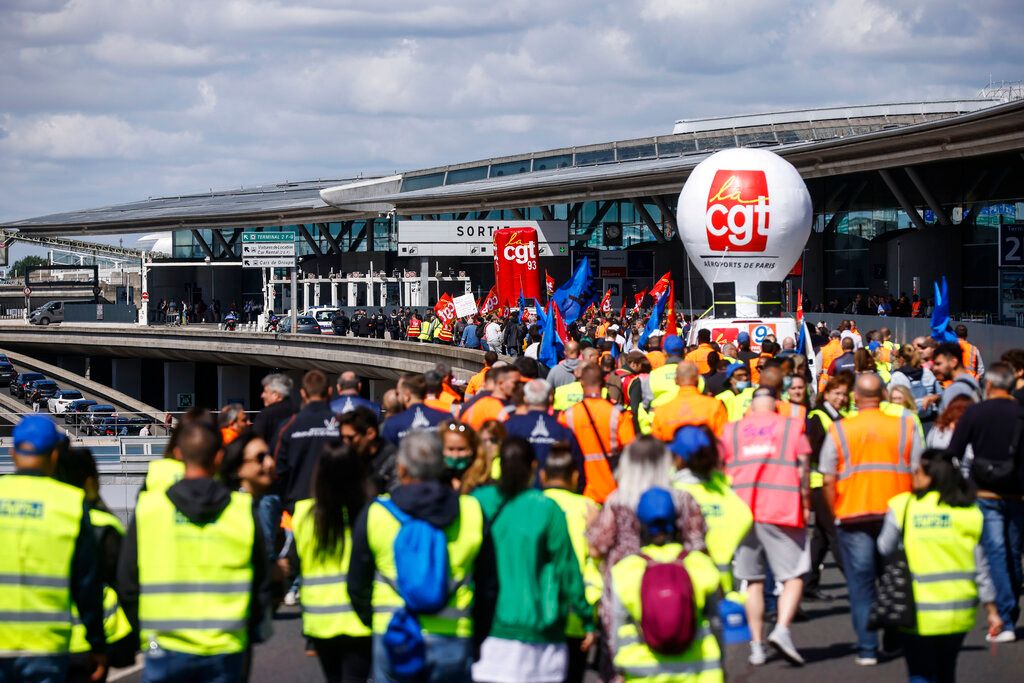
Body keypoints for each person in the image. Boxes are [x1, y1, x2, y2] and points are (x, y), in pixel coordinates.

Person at [118, 420, 271, 683]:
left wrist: (144, 629)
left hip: (164, 644)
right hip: (226, 644)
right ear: (219, 457)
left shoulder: (150, 507)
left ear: (179, 454)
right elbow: (262, 580)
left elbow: (127, 580)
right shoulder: (242, 509)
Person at [347, 431, 494, 683]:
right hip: (454, 634)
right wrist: (477, 635)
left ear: (401, 469)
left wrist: (373, 622)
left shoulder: (377, 513)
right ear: (442, 465)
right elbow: (489, 586)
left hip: (394, 633)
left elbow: (356, 584)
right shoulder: (471, 511)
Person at [819, 372, 923, 665]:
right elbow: (918, 473)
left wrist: (836, 511)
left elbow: (828, 478)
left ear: (855, 397)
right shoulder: (904, 426)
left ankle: (867, 649)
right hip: (895, 513)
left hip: (853, 514)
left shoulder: (841, 429)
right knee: (893, 579)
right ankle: (893, 637)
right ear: (884, 396)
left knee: (861, 585)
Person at [471, 438, 595, 683]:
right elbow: (567, 569)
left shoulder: (479, 501)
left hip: (489, 630)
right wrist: (587, 619)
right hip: (540, 634)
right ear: (535, 467)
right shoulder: (547, 509)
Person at [878, 449, 1001, 682]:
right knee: (947, 670)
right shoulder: (968, 511)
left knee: (920, 672)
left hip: (915, 608)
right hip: (958, 609)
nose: (913, 476)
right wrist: (992, 610)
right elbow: (981, 567)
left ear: (931, 476)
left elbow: (885, 547)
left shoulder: (903, 506)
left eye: (917, 472)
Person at [586, 437, 706, 676]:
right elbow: (698, 546)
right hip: (675, 586)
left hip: (624, 588)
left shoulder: (617, 501)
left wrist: (590, 525)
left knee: (624, 657)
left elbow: (596, 548)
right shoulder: (682, 499)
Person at [0, 417, 107, 683]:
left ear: (12, 452)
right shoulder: (70, 503)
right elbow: (87, 584)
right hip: (47, 645)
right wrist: (97, 644)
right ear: (55, 454)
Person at [720, 387, 811, 665]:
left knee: (753, 581)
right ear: (776, 406)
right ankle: (782, 629)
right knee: (794, 574)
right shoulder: (792, 427)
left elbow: (723, 471)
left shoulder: (731, 431)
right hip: (781, 506)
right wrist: (806, 504)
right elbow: (804, 467)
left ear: (751, 407)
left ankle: (757, 646)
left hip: (742, 510)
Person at [608, 487, 724, 682]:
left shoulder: (626, 570)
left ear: (639, 523)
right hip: (700, 671)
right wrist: (721, 658)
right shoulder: (698, 564)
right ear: (677, 520)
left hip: (643, 672)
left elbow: (617, 625)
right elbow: (715, 621)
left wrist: (617, 667)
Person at [946, 362, 1024, 643]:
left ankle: (1005, 617)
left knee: (996, 554)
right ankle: (1010, 609)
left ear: (988, 385)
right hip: (1017, 493)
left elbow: (953, 450)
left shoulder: (976, 412)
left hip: (986, 493)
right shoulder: (1020, 413)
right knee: (1014, 554)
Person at [292, 442, 373, 682]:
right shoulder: (370, 514)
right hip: (361, 619)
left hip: (320, 619)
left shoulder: (304, 515)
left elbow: (296, 563)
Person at [540, 444, 602, 683]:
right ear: (575, 476)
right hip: (577, 613)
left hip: (540, 610)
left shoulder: (533, 504)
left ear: (543, 475)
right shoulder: (588, 508)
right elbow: (596, 560)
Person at [670, 425, 752, 594]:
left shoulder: (672, 493)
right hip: (724, 584)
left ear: (679, 458)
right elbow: (745, 518)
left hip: (680, 588)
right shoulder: (724, 490)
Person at [559, 364, 636, 503]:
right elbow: (630, 451)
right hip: (611, 490)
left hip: (578, 490)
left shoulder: (568, 415)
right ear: (603, 383)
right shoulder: (618, 413)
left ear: (581, 382)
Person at [804, 377, 849, 600]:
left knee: (821, 537)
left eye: (844, 394)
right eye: (837, 394)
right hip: (819, 482)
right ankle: (856, 579)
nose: (841, 398)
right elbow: (812, 451)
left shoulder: (839, 417)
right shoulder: (817, 416)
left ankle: (809, 584)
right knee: (835, 534)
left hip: (832, 481)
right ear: (827, 393)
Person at [273, 370, 338, 512]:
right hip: (335, 506)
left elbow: (277, 469)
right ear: (330, 391)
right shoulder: (342, 424)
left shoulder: (288, 426)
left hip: (297, 507)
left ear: (303, 393)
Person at [504, 378, 583, 487]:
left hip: (517, 493)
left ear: (525, 399)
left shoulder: (510, 426)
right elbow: (578, 467)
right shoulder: (564, 431)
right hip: (554, 494)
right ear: (550, 399)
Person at [649, 361, 727, 440]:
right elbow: (723, 439)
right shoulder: (715, 405)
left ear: (676, 381)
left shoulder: (661, 411)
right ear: (698, 380)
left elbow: (656, 446)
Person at [339, 406, 398, 495]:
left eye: (350, 438)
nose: (345, 443)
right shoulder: (347, 458)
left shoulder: (393, 460)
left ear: (370, 433)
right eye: (342, 437)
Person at [380, 373, 450, 445]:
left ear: (407, 395)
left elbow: (387, 453)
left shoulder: (392, 424)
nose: (397, 396)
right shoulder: (446, 418)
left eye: (398, 393)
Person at [889, 344, 940, 421]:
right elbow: (940, 394)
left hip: (906, 420)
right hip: (929, 418)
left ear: (901, 359)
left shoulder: (897, 376)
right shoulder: (927, 372)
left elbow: (891, 401)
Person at [459, 365, 519, 430]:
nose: (517, 386)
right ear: (501, 382)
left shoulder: (472, 404)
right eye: (514, 382)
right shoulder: (506, 409)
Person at [252, 373, 296, 452]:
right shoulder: (299, 411)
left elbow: (255, 443)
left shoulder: (265, 415)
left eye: (265, 392)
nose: (262, 395)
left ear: (276, 395)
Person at [932, 342, 982, 411]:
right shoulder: (972, 381)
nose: (934, 368)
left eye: (938, 364)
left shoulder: (954, 390)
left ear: (953, 362)